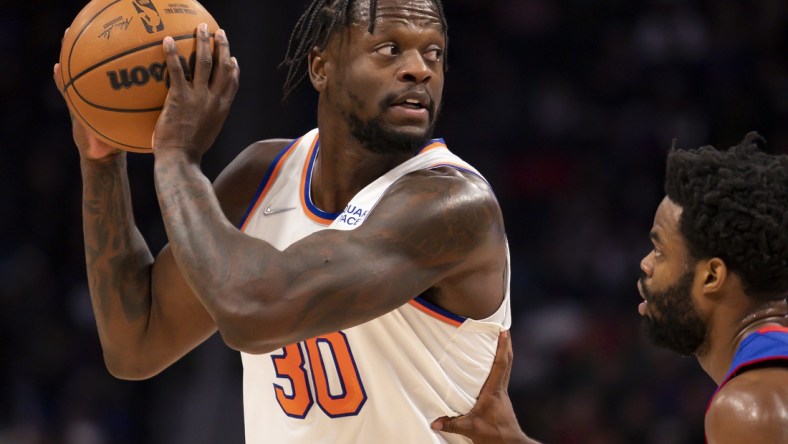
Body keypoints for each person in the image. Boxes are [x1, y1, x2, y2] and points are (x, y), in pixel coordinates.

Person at [54, 0, 511, 442]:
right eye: (389, 49)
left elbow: (254, 313)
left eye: (434, 53)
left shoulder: (452, 205)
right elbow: (137, 344)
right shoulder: (263, 175)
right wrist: (102, 161)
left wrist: (176, 157)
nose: (420, 69)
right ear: (321, 67)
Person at [435, 133, 788, 443]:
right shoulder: (764, 382)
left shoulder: (752, 407)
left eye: (660, 250)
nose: (645, 263)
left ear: (712, 276)